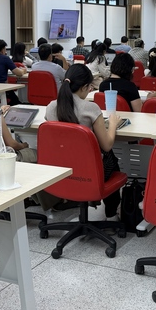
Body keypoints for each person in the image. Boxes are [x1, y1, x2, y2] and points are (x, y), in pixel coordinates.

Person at [45, 64, 123, 219]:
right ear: (84, 87)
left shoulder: (51, 107)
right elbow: (107, 145)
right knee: (110, 157)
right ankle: (111, 213)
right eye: (89, 87)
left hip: (61, 168)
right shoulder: (90, 108)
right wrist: (113, 124)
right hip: (89, 171)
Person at [0, 39, 27, 105]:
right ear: (2, 50)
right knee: (17, 102)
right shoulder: (5, 58)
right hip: (3, 88)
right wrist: (24, 70)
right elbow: (19, 73)